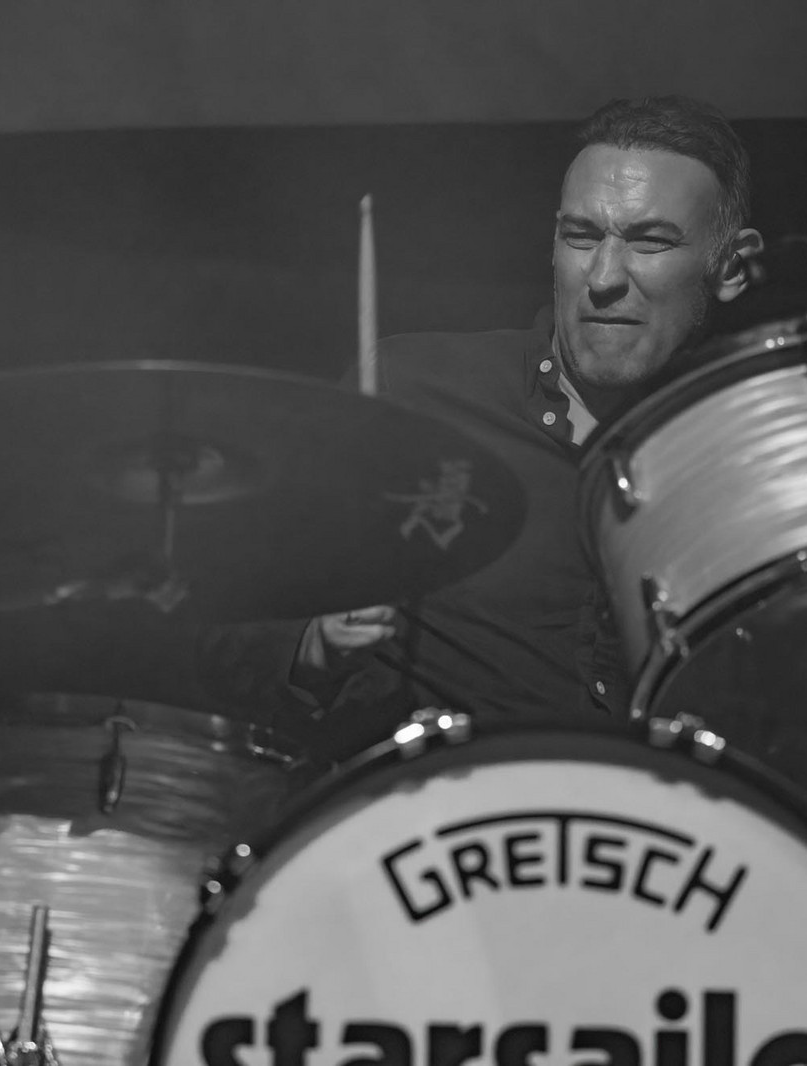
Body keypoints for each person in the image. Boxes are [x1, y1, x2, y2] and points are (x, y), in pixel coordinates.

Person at [198, 96, 763, 757]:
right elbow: (226, 626)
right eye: (581, 237)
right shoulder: (415, 392)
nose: (604, 277)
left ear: (731, 268)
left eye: (650, 241)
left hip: (657, 815)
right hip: (430, 806)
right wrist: (312, 647)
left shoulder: (760, 457)